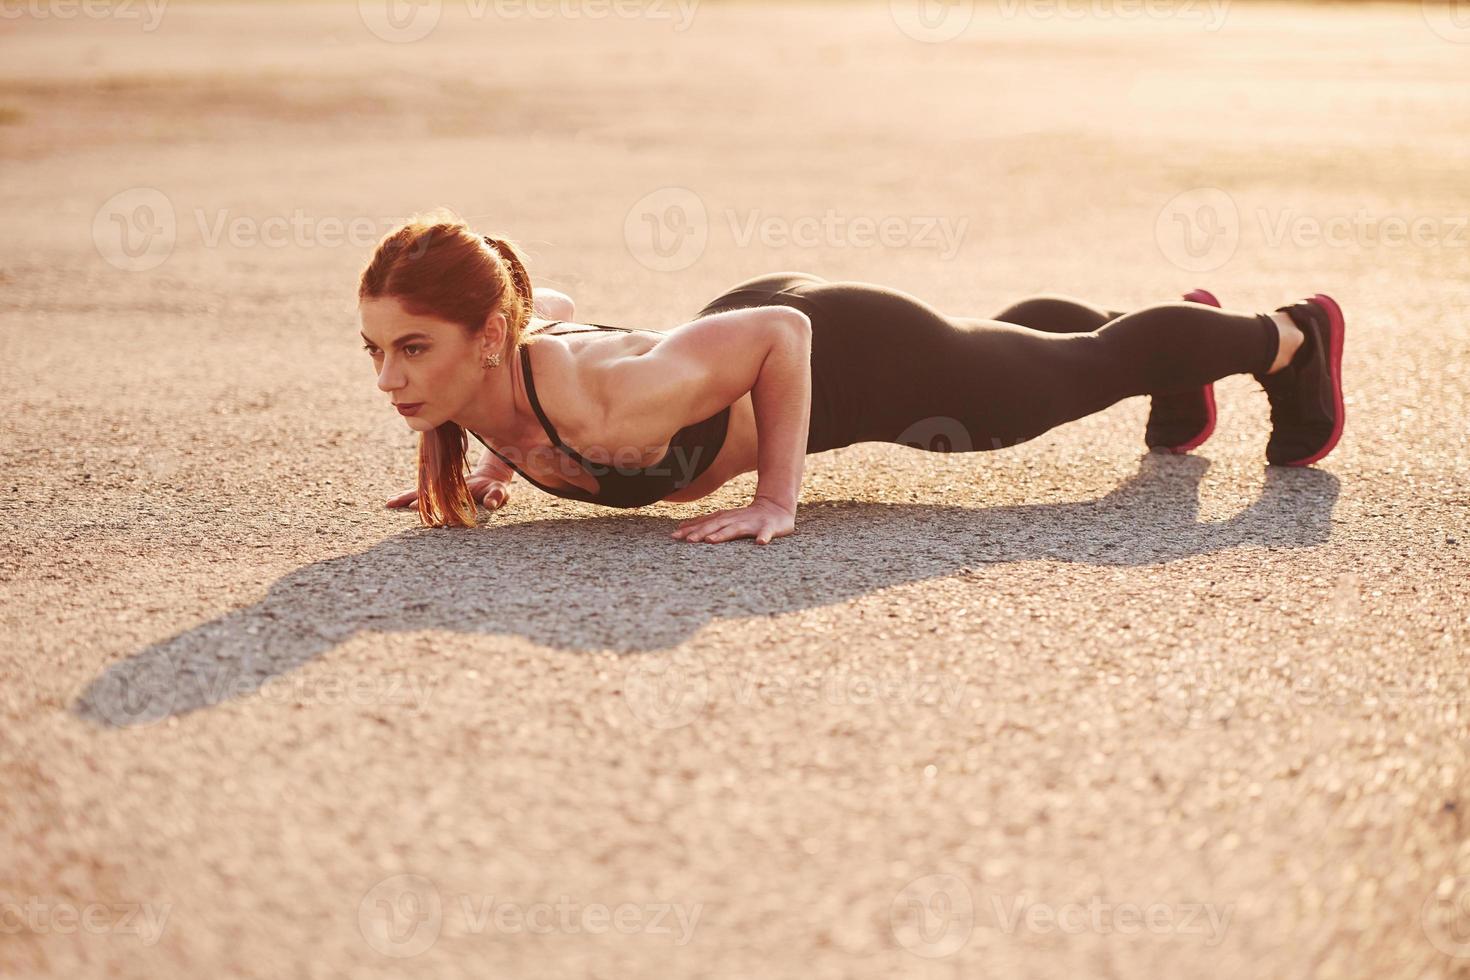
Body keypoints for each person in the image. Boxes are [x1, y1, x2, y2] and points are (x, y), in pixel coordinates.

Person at [359, 211, 1345, 545]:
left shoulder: (609, 404)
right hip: (740, 334)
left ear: (486, 335)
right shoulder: (511, 365)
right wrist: (491, 463)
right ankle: (1173, 350)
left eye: (414, 349)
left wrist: (779, 497)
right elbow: (555, 303)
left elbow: (784, 330)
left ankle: (1286, 336)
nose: (392, 379)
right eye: (378, 348)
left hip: (847, 351)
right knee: (1007, 353)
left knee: (1033, 394)